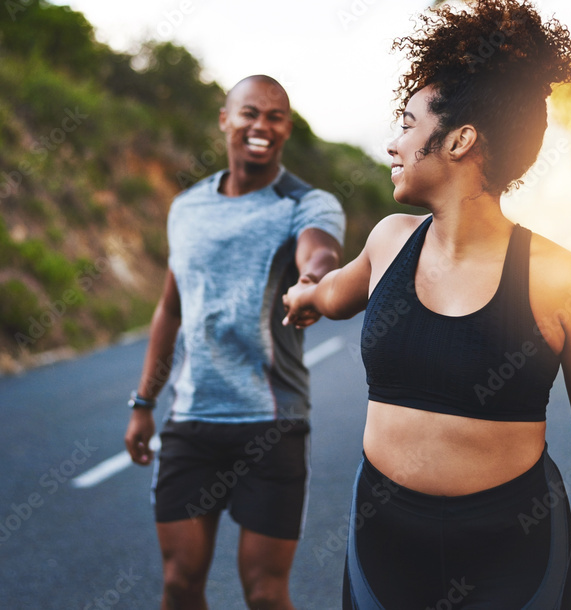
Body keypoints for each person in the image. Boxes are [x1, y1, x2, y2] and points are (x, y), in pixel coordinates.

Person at [281, 2, 571, 608]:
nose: (393, 143)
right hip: (383, 549)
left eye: (408, 124)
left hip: (514, 559)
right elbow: (335, 293)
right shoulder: (389, 241)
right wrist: (304, 296)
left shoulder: (562, 281)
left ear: (460, 139)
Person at [124, 74, 345, 609]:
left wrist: (311, 284)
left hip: (272, 424)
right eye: (249, 112)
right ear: (225, 119)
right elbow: (171, 309)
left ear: (287, 128)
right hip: (192, 422)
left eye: (274, 116)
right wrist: (143, 404)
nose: (260, 126)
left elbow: (318, 254)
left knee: (265, 594)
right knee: (179, 583)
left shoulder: (306, 203)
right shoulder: (187, 209)